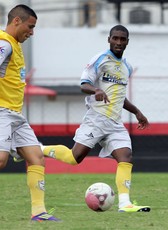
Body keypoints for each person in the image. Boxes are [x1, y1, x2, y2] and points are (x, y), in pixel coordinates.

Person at [41, 25, 151, 212]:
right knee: (73, 158)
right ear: (109, 39)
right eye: (115, 38)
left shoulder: (127, 67)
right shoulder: (100, 60)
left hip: (115, 123)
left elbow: (118, 96)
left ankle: (125, 203)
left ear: (127, 42)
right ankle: (39, 149)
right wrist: (96, 90)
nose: (118, 42)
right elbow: (84, 84)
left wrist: (137, 112)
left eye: (122, 39)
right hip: (96, 119)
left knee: (126, 157)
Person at [0, 4, 60, 222]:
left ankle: (39, 212)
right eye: (30, 26)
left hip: (15, 116)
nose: (32, 32)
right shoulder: (4, 43)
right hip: (0, 112)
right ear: (16, 21)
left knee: (36, 158)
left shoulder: (14, 45)